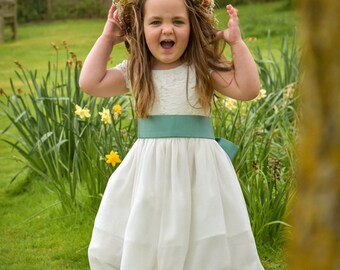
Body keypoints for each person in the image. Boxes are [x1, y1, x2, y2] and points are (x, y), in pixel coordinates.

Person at [79, 0, 264, 269]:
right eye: (156, 22)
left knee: (202, 235)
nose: (168, 30)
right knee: (150, 232)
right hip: (149, 174)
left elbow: (247, 89)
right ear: (140, 28)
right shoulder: (137, 70)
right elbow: (90, 82)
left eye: (178, 21)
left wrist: (237, 44)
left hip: (199, 173)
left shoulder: (202, 68)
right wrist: (108, 37)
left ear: (193, 26)